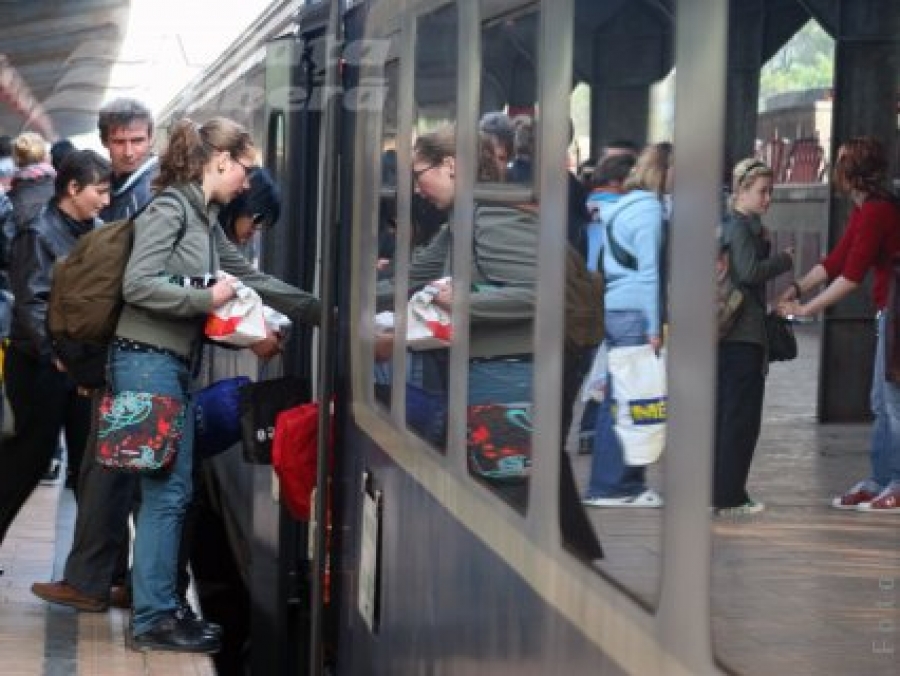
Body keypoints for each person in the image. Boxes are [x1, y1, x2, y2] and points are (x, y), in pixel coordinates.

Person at [108, 116, 319, 653]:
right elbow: (139, 283)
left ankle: (164, 607)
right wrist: (208, 298)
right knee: (167, 492)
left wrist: (323, 309)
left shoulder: (201, 219)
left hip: (168, 363)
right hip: (146, 362)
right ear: (220, 161)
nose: (248, 183)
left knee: (174, 491)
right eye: (245, 170)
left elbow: (251, 278)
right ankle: (154, 618)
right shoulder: (171, 209)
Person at [31, 98, 161, 613]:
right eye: (120, 142)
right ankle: (114, 579)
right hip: (122, 357)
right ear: (106, 142)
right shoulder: (125, 194)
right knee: (114, 473)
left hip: (134, 357)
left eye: (137, 140)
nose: (129, 151)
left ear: (152, 138)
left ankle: (96, 581)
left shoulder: (146, 197)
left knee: (114, 474)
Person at [778, 137, 900, 513]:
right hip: (889, 309)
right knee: (881, 402)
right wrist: (796, 287)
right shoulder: (864, 209)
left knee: (894, 403)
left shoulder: (878, 210)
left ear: (849, 173)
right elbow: (836, 261)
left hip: (898, 311)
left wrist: (805, 309)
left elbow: (850, 276)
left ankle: (896, 481)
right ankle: (880, 479)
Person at [0, 150, 111, 547]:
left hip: (78, 365)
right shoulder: (38, 232)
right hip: (39, 367)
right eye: (99, 191)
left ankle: (96, 569)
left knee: (88, 464)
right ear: (73, 188)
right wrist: (56, 356)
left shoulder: (95, 229)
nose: (106, 200)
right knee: (26, 462)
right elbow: (31, 302)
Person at [581, 144, 668, 508]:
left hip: (617, 305)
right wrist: (653, 323)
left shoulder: (623, 207)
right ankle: (617, 485)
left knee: (618, 399)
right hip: (635, 311)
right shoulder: (649, 211)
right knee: (633, 400)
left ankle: (613, 482)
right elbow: (648, 272)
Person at [713, 158, 794, 516]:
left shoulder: (729, 225)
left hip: (727, 335)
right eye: (762, 191)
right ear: (741, 191)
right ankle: (730, 494)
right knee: (740, 419)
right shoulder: (740, 227)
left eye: (770, 192)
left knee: (725, 416)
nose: (768, 199)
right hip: (742, 336)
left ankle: (718, 490)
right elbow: (748, 272)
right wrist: (783, 261)